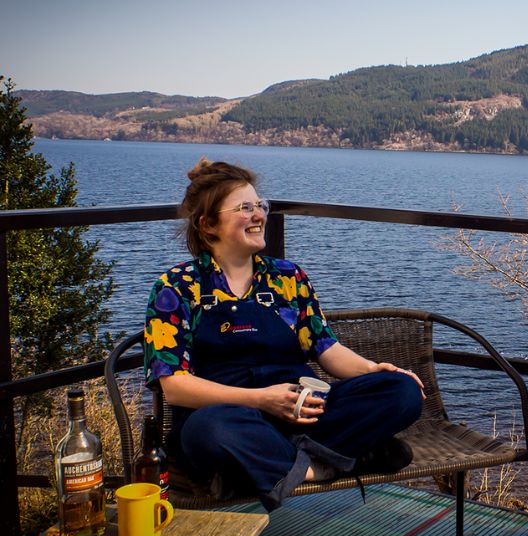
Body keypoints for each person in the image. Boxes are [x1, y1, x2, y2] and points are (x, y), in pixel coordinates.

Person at [143, 159, 425, 511]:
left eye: (260, 205)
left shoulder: (288, 277)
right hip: (235, 414)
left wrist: (373, 370)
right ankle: (329, 462)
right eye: (244, 208)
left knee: (402, 391)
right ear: (209, 224)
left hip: (302, 411)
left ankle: (275, 466)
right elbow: (174, 385)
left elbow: (325, 348)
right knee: (208, 430)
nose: (259, 214)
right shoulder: (176, 288)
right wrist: (262, 399)